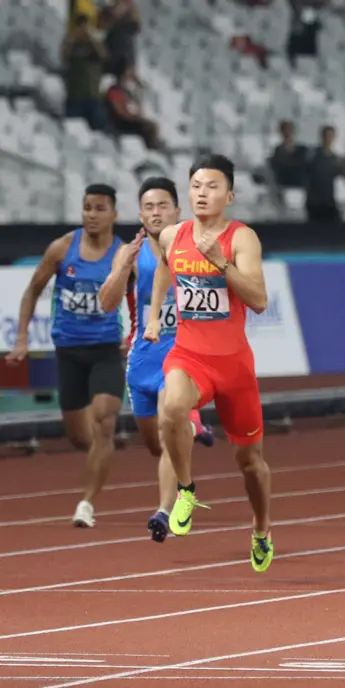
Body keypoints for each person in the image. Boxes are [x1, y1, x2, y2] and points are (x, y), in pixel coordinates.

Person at [142, 154, 275, 572]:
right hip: (189, 354)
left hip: (234, 366)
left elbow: (258, 301)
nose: (202, 193)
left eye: (212, 186)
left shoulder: (242, 239)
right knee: (172, 409)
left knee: (249, 463)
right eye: (196, 186)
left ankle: (261, 527)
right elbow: (167, 268)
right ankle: (185, 490)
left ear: (229, 195)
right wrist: (153, 313)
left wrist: (220, 261)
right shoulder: (173, 235)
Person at [97, 176, 215, 544]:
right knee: (152, 441)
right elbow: (106, 303)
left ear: (177, 211)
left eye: (163, 205)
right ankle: (192, 428)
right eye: (149, 207)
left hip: (182, 353)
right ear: (140, 214)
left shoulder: (192, 245)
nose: (156, 212)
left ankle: (165, 510)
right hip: (143, 356)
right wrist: (121, 269)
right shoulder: (129, 252)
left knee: (168, 433)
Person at [5, 184, 126, 528]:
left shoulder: (122, 255)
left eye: (99, 208)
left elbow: (143, 295)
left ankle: (86, 503)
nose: (91, 214)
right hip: (69, 352)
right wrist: (22, 338)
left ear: (114, 215)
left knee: (104, 419)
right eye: (87, 207)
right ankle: (101, 456)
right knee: (79, 437)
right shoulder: (62, 248)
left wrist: (139, 332)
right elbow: (32, 291)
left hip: (105, 350)